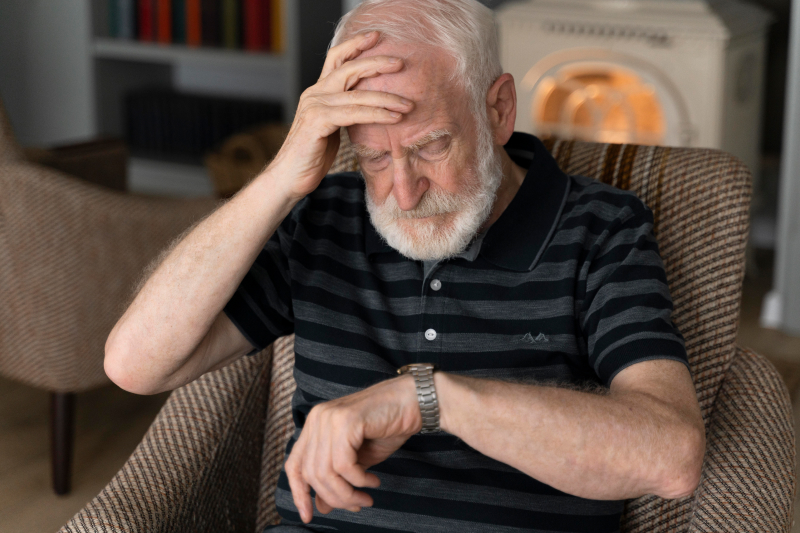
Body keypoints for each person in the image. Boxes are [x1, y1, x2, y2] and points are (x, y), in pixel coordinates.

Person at [104, 1, 706, 531]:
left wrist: (429, 400)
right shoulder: (325, 216)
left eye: (430, 146)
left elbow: (672, 458)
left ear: (497, 109)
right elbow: (136, 365)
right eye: (372, 157)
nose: (404, 192)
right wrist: (280, 181)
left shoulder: (601, 228)